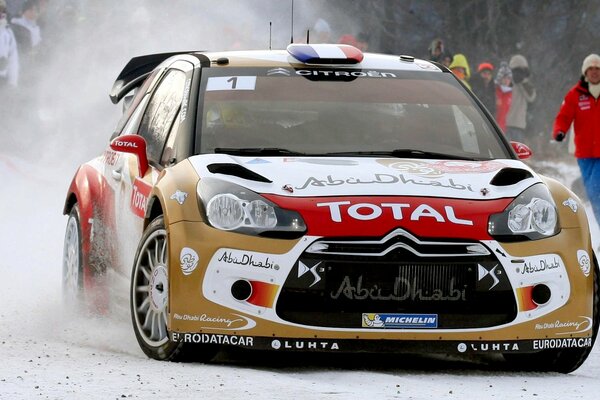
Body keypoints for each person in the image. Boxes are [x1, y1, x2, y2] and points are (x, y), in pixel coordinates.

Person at [553, 53, 600, 223]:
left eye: (597, 68)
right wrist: (560, 131)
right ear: (585, 72)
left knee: (595, 190)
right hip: (584, 153)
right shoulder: (575, 94)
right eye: (591, 69)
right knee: (593, 195)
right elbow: (564, 117)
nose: (594, 72)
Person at [505, 54, 536, 143]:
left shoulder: (526, 84)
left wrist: (522, 81)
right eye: (516, 71)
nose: (517, 74)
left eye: (520, 71)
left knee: (516, 153)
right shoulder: (506, 82)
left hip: (518, 124)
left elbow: (531, 97)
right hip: (506, 123)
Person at [0, 0, 19, 87]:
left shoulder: (8, 32)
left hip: (2, 80)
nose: (1, 12)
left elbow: (13, 59)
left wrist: (12, 82)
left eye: (3, 9)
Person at [494, 62, 513, 132]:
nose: (506, 80)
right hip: (493, 126)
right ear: (500, 78)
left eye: (508, 78)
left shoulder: (511, 93)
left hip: (505, 129)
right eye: (504, 77)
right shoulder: (495, 90)